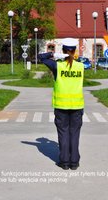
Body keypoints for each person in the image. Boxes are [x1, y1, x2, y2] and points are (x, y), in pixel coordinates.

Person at [38, 38, 84, 170]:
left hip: (61, 107)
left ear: (63, 51)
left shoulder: (57, 66)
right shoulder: (80, 66)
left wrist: (52, 54)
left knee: (63, 133)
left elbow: (40, 57)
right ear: (74, 51)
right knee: (74, 134)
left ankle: (64, 162)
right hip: (77, 106)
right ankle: (74, 162)